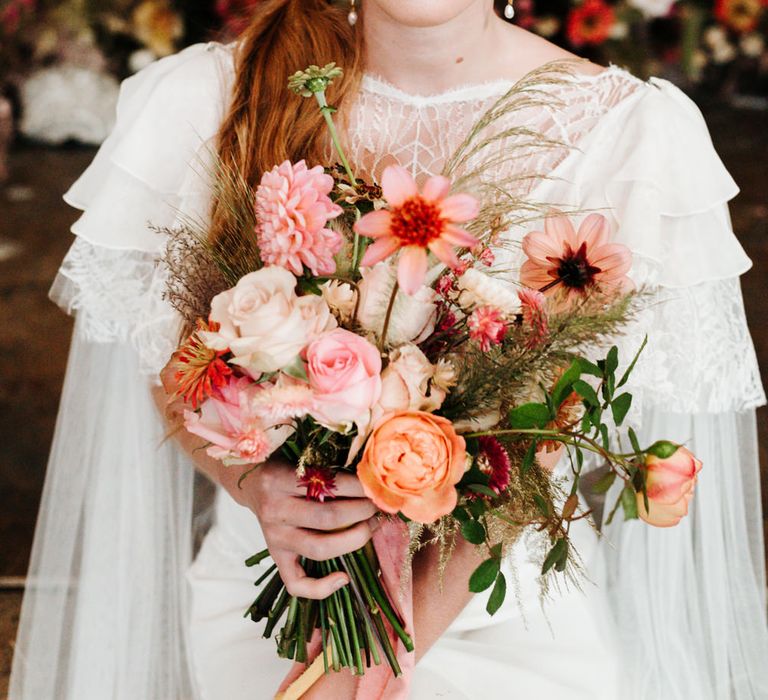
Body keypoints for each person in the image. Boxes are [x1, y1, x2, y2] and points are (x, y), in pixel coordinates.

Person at [10, 1, 768, 698]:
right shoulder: (208, 96)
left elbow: (554, 421)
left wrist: (380, 647)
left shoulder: (631, 131)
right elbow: (174, 364)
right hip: (277, 606)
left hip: (514, 625)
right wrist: (253, 486)